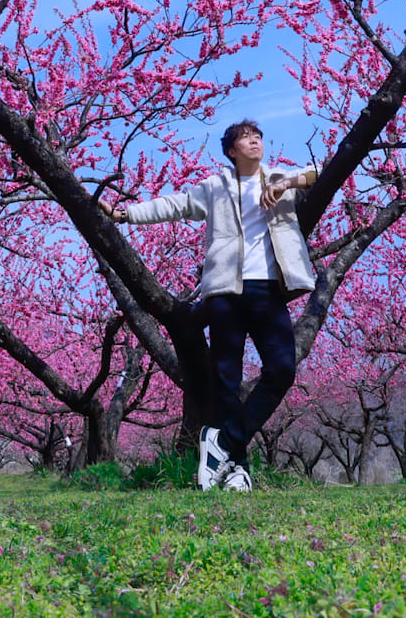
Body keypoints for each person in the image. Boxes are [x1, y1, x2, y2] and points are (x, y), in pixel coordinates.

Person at [101, 120, 319, 492]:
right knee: (226, 382)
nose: (255, 141)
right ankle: (237, 470)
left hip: (268, 291)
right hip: (225, 292)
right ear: (231, 151)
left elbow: (322, 173)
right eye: (246, 138)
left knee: (282, 369)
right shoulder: (216, 188)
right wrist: (125, 214)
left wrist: (285, 184)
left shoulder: (281, 179)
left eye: (258, 136)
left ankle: (225, 442)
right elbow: (176, 204)